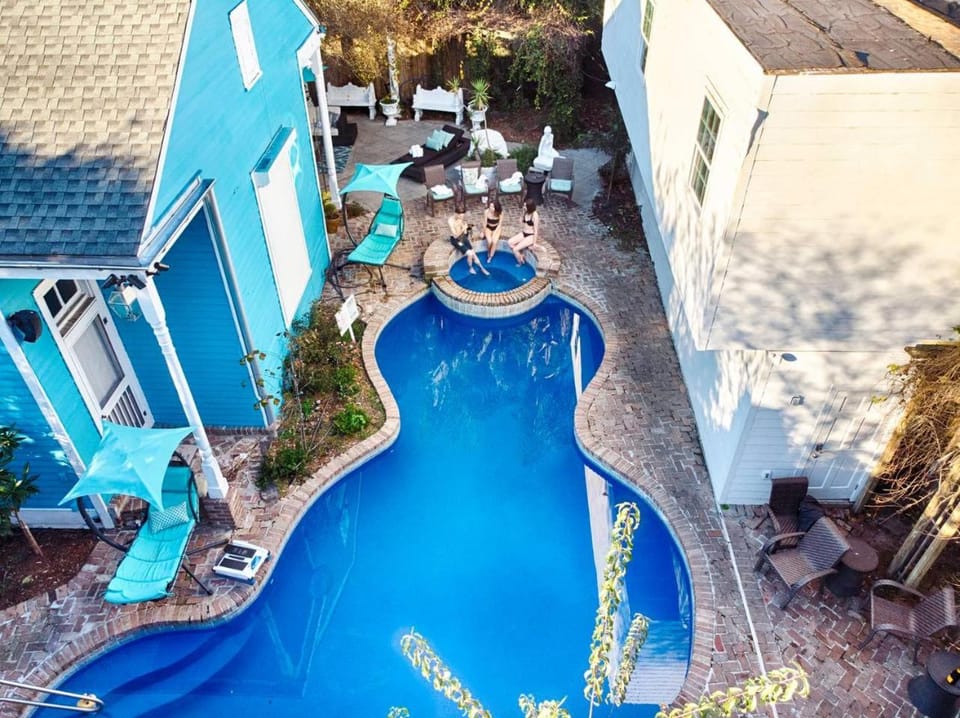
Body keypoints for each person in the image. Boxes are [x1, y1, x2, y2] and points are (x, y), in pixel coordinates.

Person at [448, 205, 489, 275]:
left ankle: (482, 268)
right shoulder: (450, 221)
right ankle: (470, 268)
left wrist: (465, 229)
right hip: (456, 240)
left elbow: (464, 232)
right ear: (456, 214)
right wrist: (463, 228)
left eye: (463, 216)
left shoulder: (460, 218)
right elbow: (455, 236)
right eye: (461, 216)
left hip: (462, 237)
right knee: (470, 254)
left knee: (474, 253)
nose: (462, 217)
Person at [507, 198, 540, 265]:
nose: (524, 207)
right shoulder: (525, 212)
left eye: (525, 206)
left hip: (531, 235)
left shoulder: (535, 215)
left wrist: (534, 243)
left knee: (515, 249)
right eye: (524, 206)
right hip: (524, 233)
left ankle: (520, 262)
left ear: (530, 207)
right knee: (509, 242)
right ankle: (520, 255)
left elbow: (536, 231)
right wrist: (523, 214)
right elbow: (521, 221)